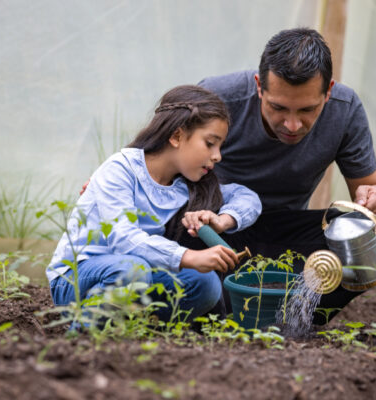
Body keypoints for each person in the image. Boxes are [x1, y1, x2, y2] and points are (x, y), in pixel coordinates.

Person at [193, 27, 376, 325]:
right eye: (278, 108)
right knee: (181, 232)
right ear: (259, 86)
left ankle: (297, 317)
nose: (292, 124)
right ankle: (235, 309)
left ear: (329, 91)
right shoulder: (219, 99)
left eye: (308, 109)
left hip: (289, 234)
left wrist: (375, 201)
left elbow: (370, 191)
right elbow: (163, 177)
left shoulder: (344, 111)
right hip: (219, 230)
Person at [47, 85, 262, 323]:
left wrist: (223, 220)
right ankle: (83, 336)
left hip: (137, 278)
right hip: (75, 279)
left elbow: (247, 197)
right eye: (210, 143)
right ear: (177, 136)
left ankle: (140, 329)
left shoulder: (183, 186)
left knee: (206, 283)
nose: (217, 156)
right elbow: (123, 239)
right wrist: (188, 256)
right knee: (132, 268)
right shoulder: (121, 169)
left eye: (220, 146)